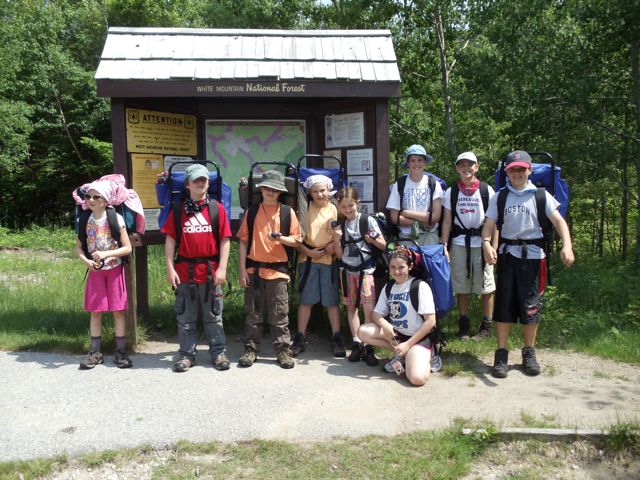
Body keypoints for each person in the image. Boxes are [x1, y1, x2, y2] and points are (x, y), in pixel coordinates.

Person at [482, 150, 574, 378]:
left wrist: (567, 246)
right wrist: (486, 244)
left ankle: (529, 353)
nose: (517, 173)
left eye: (521, 169)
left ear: (529, 170)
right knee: (504, 305)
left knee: (531, 306)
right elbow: (489, 224)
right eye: (513, 169)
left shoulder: (541, 196)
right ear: (507, 172)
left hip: (534, 258)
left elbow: (559, 222)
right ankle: (501, 354)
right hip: (507, 256)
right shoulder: (500, 196)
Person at [162, 163, 232, 373]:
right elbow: (170, 239)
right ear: (187, 184)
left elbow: (225, 240)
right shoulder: (178, 210)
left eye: (204, 179)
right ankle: (187, 355)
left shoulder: (216, 209)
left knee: (214, 316)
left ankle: (218, 353)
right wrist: (170, 268)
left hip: (211, 273)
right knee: (185, 318)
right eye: (196, 180)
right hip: (185, 273)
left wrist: (222, 268)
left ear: (209, 183)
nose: (201, 183)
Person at [237, 169, 301, 369]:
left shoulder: (287, 212)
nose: (270, 192)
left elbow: (297, 241)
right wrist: (242, 270)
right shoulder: (252, 212)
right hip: (254, 271)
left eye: (274, 189)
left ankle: (283, 350)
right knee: (253, 314)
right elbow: (243, 242)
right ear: (261, 189)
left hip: (278, 272)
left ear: (280, 191)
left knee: (279, 315)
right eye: (267, 188)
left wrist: (281, 238)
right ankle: (250, 349)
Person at [75, 180, 133, 370]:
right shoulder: (84, 219)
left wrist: (106, 254)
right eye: (88, 196)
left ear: (106, 200)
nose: (91, 200)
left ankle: (121, 351)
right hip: (96, 272)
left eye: (96, 197)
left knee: (118, 311)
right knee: (96, 311)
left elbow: (127, 248)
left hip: (115, 270)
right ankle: (95, 352)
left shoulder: (116, 218)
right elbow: (78, 248)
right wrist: (87, 262)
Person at [358, 246, 437, 386]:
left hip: (418, 339)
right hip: (397, 337)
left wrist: (408, 345)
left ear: (410, 266)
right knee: (362, 331)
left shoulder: (420, 286)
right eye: (393, 267)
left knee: (417, 378)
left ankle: (428, 356)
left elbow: (430, 322)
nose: (396, 271)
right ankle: (402, 354)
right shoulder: (389, 287)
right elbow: (376, 314)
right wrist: (385, 325)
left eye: (401, 267)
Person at [441, 151, 497, 339]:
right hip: (459, 243)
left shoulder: (486, 190)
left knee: (486, 285)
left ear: (477, 167)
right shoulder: (451, 192)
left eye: (470, 164)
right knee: (461, 285)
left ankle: (486, 325)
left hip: (482, 243)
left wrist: (494, 246)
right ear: (457, 168)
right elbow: (447, 221)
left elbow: (494, 221)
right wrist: (444, 245)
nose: (466, 168)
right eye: (462, 165)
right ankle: (463, 324)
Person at [291, 175, 344, 358]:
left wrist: (333, 246)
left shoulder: (336, 209)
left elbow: (342, 232)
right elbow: (296, 236)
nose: (319, 194)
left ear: (329, 190)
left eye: (322, 190)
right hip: (308, 259)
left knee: (332, 301)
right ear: (310, 192)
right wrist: (307, 251)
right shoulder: (304, 209)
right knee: (306, 300)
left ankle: (337, 336)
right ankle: (300, 336)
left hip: (329, 259)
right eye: (315, 191)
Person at [332, 186, 385, 365]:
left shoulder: (367, 220)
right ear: (339, 207)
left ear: (358, 203)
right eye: (344, 206)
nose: (348, 209)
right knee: (351, 308)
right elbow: (339, 255)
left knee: (368, 309)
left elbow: (383, 244)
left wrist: (372, 240)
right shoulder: (340, 225)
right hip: (347, 271)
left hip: (366, 271)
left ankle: (368, 344)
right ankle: (356, 343)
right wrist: (335, 240)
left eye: (351, 205)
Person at [386, 144, 444, 245]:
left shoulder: (433, 184)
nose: (416, 163)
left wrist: (405, 213)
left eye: (420, 160)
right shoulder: (399, 184)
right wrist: (421, 223)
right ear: (408, 163)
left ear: (425, 162)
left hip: (429, 235)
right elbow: (394, 218)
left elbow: (435, 217)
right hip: (406, 237)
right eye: (412, 160)